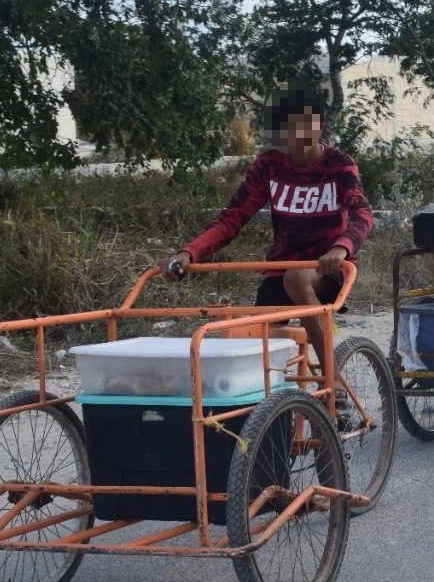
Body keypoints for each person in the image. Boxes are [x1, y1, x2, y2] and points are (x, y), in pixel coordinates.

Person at [160, 87, 374, 375]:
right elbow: (232, 218)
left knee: (297, 278)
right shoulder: (269, 165)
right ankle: (275, 411)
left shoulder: (339, 165)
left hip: (327, 269)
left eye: (301, 126)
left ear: (319, 124)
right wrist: (189, 252)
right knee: (249, 338)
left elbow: (362, 212)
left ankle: (332, 381)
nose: (293, 136)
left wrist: (342, 247)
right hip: (280, 269)